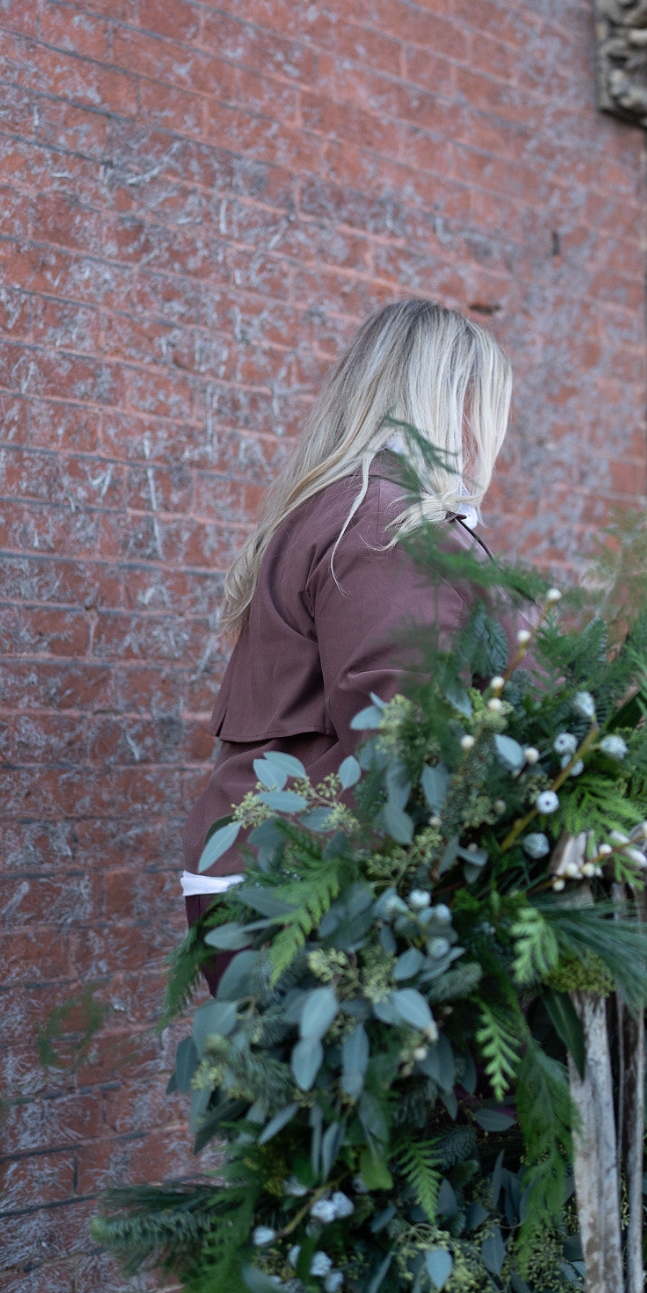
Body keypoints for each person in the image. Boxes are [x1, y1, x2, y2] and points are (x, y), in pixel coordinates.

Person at [180, 299, 512, 911]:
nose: (493, 433)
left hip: (280, 866)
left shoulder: (349, 507)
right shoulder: (387, 525)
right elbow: (403, 741)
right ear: (456, 404)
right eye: (490, 407)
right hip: (309, 883)